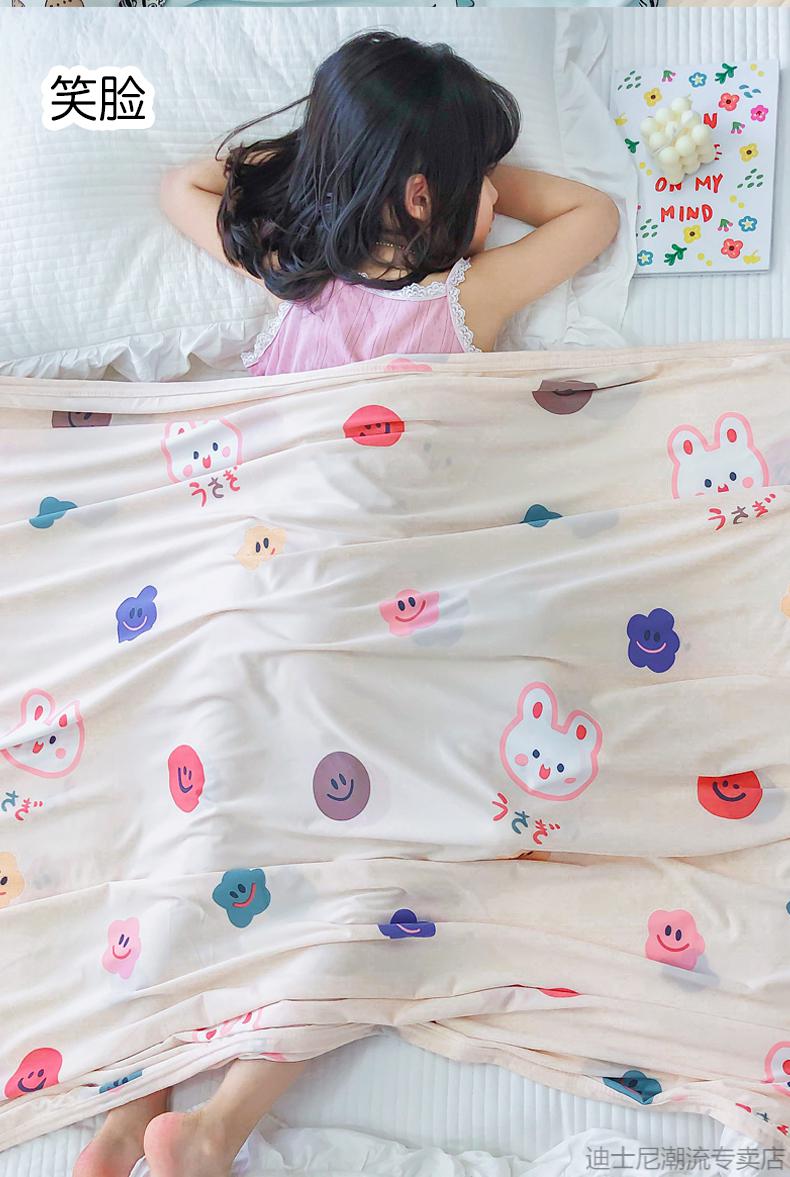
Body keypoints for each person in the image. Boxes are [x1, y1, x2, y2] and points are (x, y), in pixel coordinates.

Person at [160, 31, 619, 375]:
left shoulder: (291, 275)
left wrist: (337, 159)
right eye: (483, 175)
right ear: (420, 198)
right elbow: (593, 213)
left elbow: (183, 188)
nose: (496, 194)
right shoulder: (473, 296)